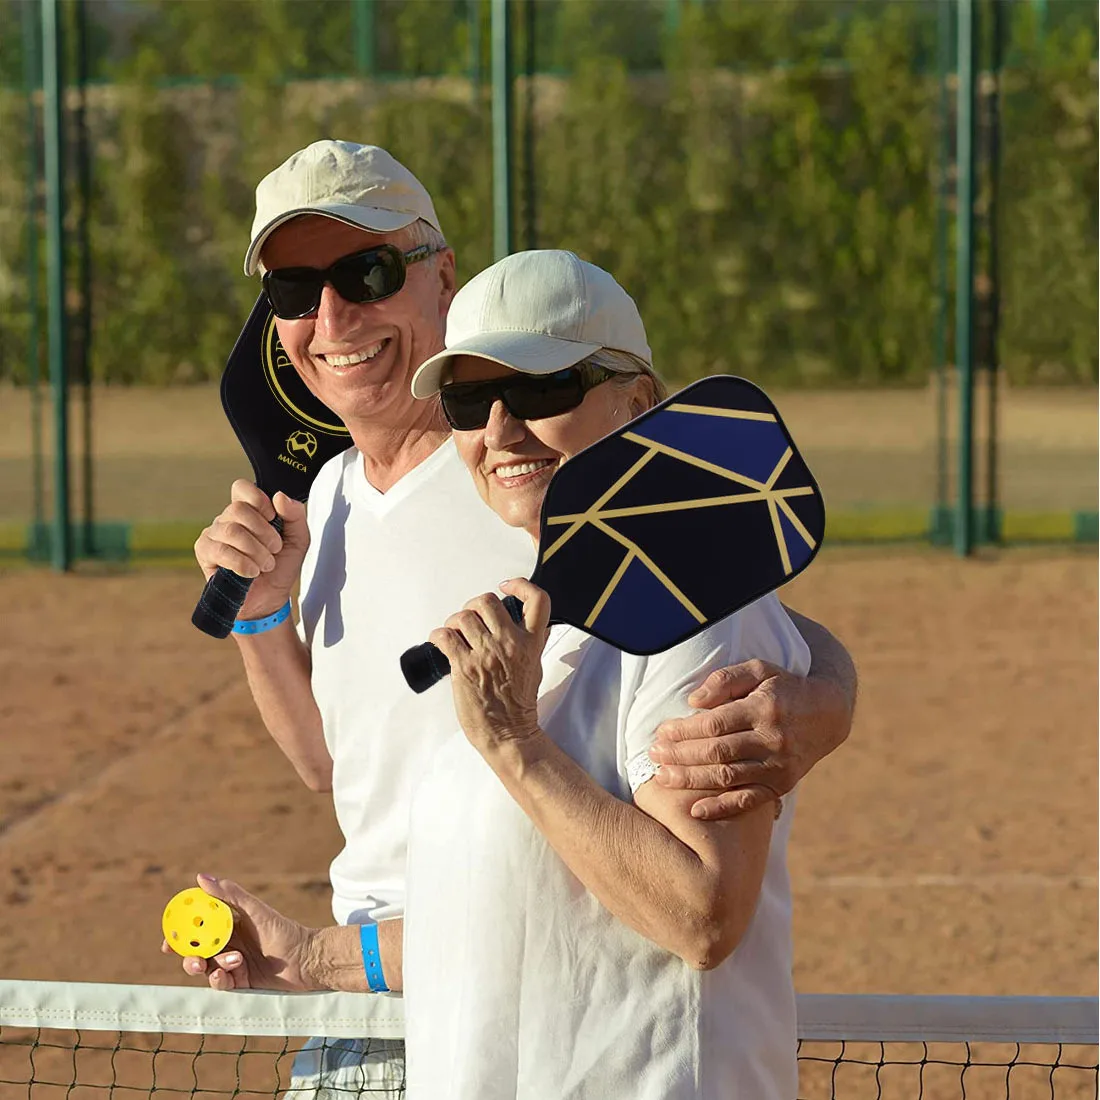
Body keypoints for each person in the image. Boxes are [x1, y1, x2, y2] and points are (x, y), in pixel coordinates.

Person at [182, 141, 857, 1092]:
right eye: (293, 290)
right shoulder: (333, 496)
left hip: (528, 1010)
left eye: (366, 272)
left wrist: (828, 698)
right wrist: (262, 622)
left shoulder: (600, 531)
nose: (330, 314)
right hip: (424, 1004)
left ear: (439, 275)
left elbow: (747, 627)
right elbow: (349, 765)